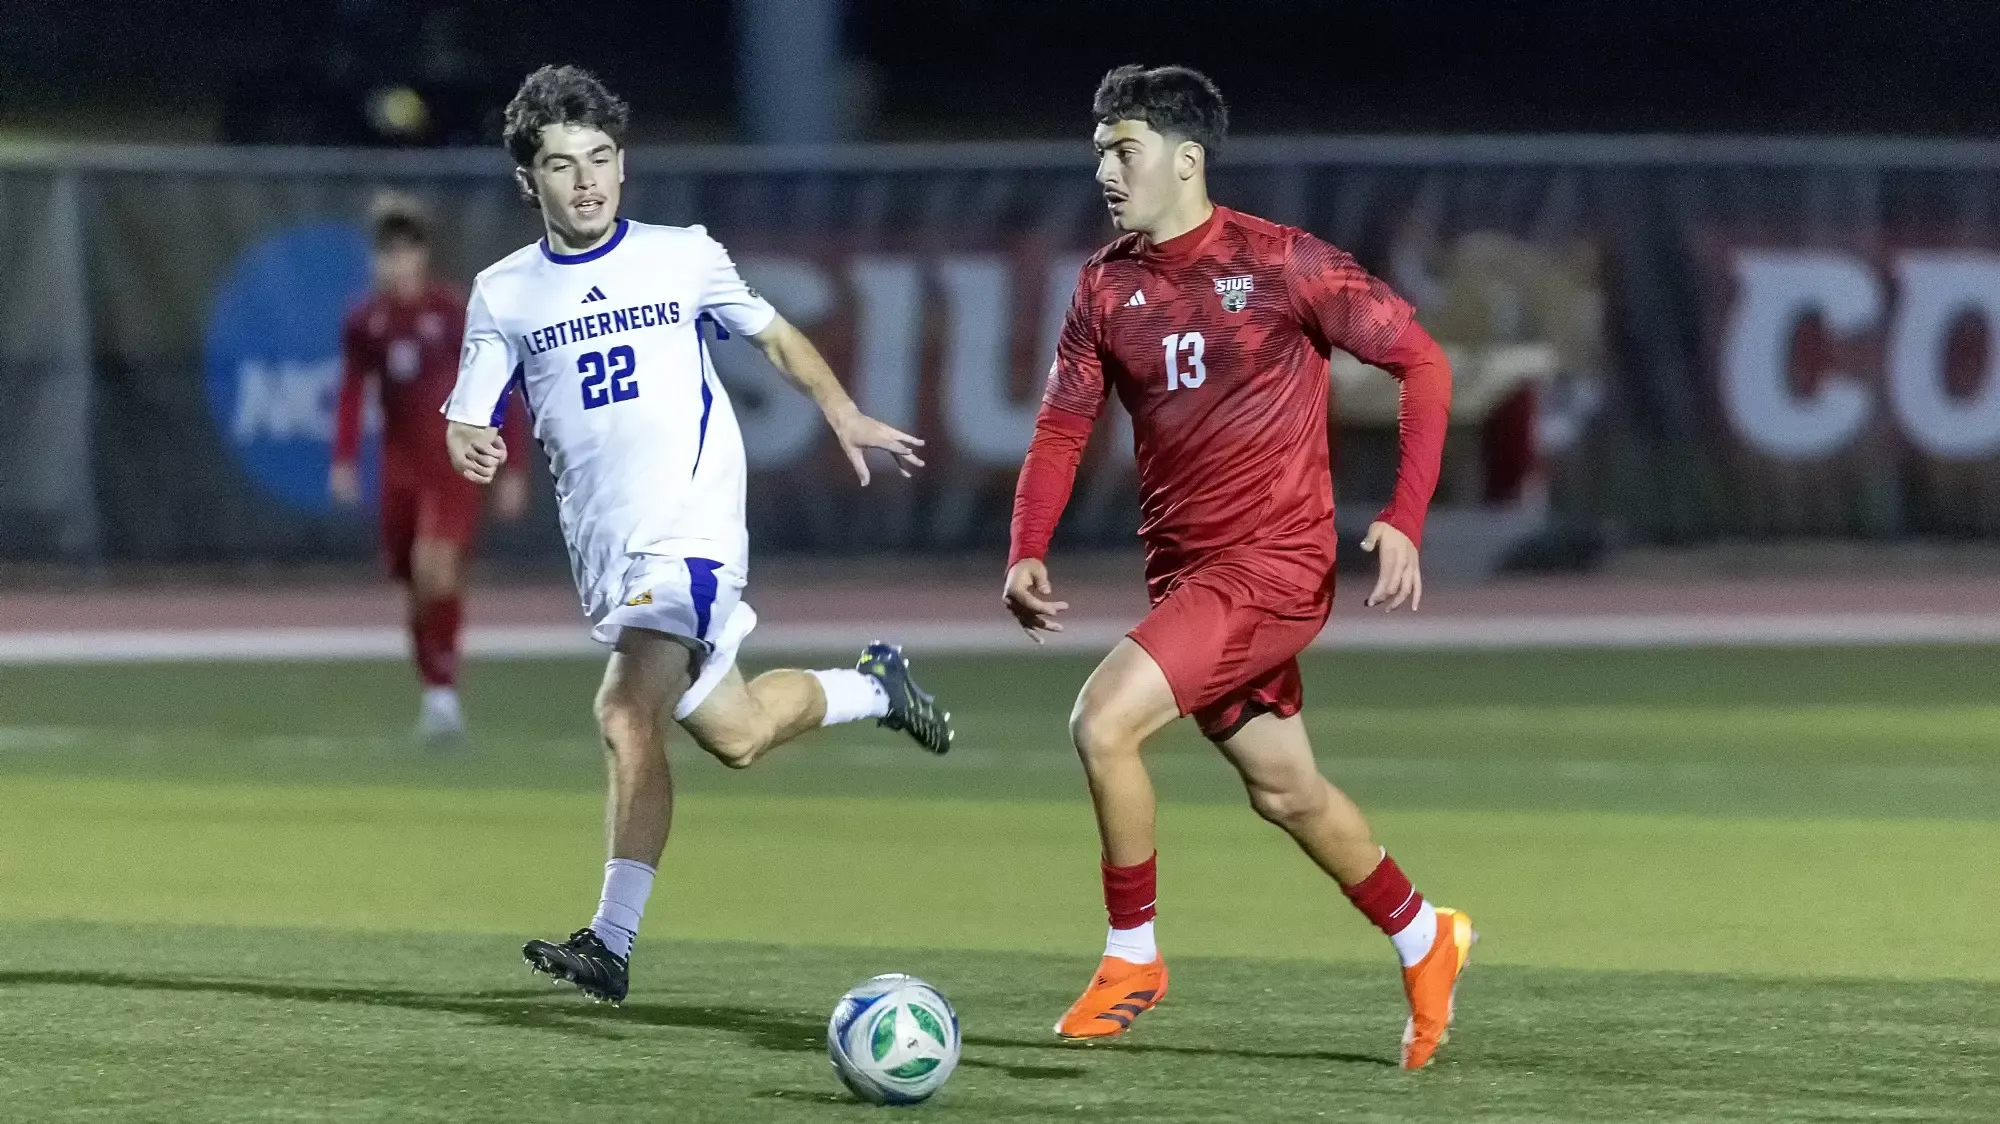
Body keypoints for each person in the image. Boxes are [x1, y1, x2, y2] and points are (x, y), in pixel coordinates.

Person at [442, 65, 953, 1004]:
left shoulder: (681, 255)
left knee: (625, 709)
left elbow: (774, 335)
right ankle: (874, 689)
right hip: (613, 559)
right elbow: (469, 411)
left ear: (623, 164)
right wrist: (466, 435)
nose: (587, 180)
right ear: (530, 181)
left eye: (600, 158)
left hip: (694, 537)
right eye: (562, 165)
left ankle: (610, 941)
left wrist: (840, 408)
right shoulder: (503, 294)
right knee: (740, 733)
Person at [1003, 65, 1472, 1068]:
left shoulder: (1282, 263)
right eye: (1096, 149)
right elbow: (1060, 425)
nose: (1102, 168)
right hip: (1186, 575)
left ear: (1184, 159)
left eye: (1120, 149)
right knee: (1285, 790)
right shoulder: (1104, 283)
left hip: (1272, 565)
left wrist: (1402, 516)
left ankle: (1133, 954)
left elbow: (1423, 364)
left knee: (1100, 720)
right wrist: (1025, 546)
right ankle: (1424, 935)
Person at [332, 192, 528, 742]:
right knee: (416, 584)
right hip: (399, 469)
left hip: (452, 461)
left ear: (423, 254)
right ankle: (437, 692)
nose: (395, 263)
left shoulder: (454, 313)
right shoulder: (365, 323)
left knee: (434, 568)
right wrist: (344, 458)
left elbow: (499, 388)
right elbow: (352, 392)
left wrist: (512, 466)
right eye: (385, 252)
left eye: (405, 250)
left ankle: (444, 698)